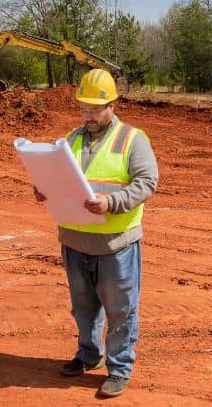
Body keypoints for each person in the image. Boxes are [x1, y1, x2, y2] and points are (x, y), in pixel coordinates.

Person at [33, 68, 159, 398]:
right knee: (83, 307)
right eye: (83, 109)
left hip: (115, 245)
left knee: (121, 310)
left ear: (111, 106)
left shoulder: (132, 140)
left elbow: (148, 183)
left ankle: (119, 369)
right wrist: (43, 189)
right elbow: (57, 178)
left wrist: (112, 202)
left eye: (94, 110)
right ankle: (88, 355)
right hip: (74, 242)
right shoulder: (70, 140)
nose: (87, 116)